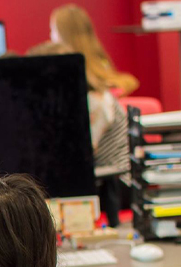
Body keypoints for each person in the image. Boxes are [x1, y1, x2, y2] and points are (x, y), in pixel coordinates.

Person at [27, 40, 129, 226]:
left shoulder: (93, 103)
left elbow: (82, 155)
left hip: (116, 186)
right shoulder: (75, 101)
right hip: (99, 182)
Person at [51, 4, 139, 97]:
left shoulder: (63, 72)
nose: (51, 35)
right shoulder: (101, 62)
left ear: (62, 35)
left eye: (53, 30)